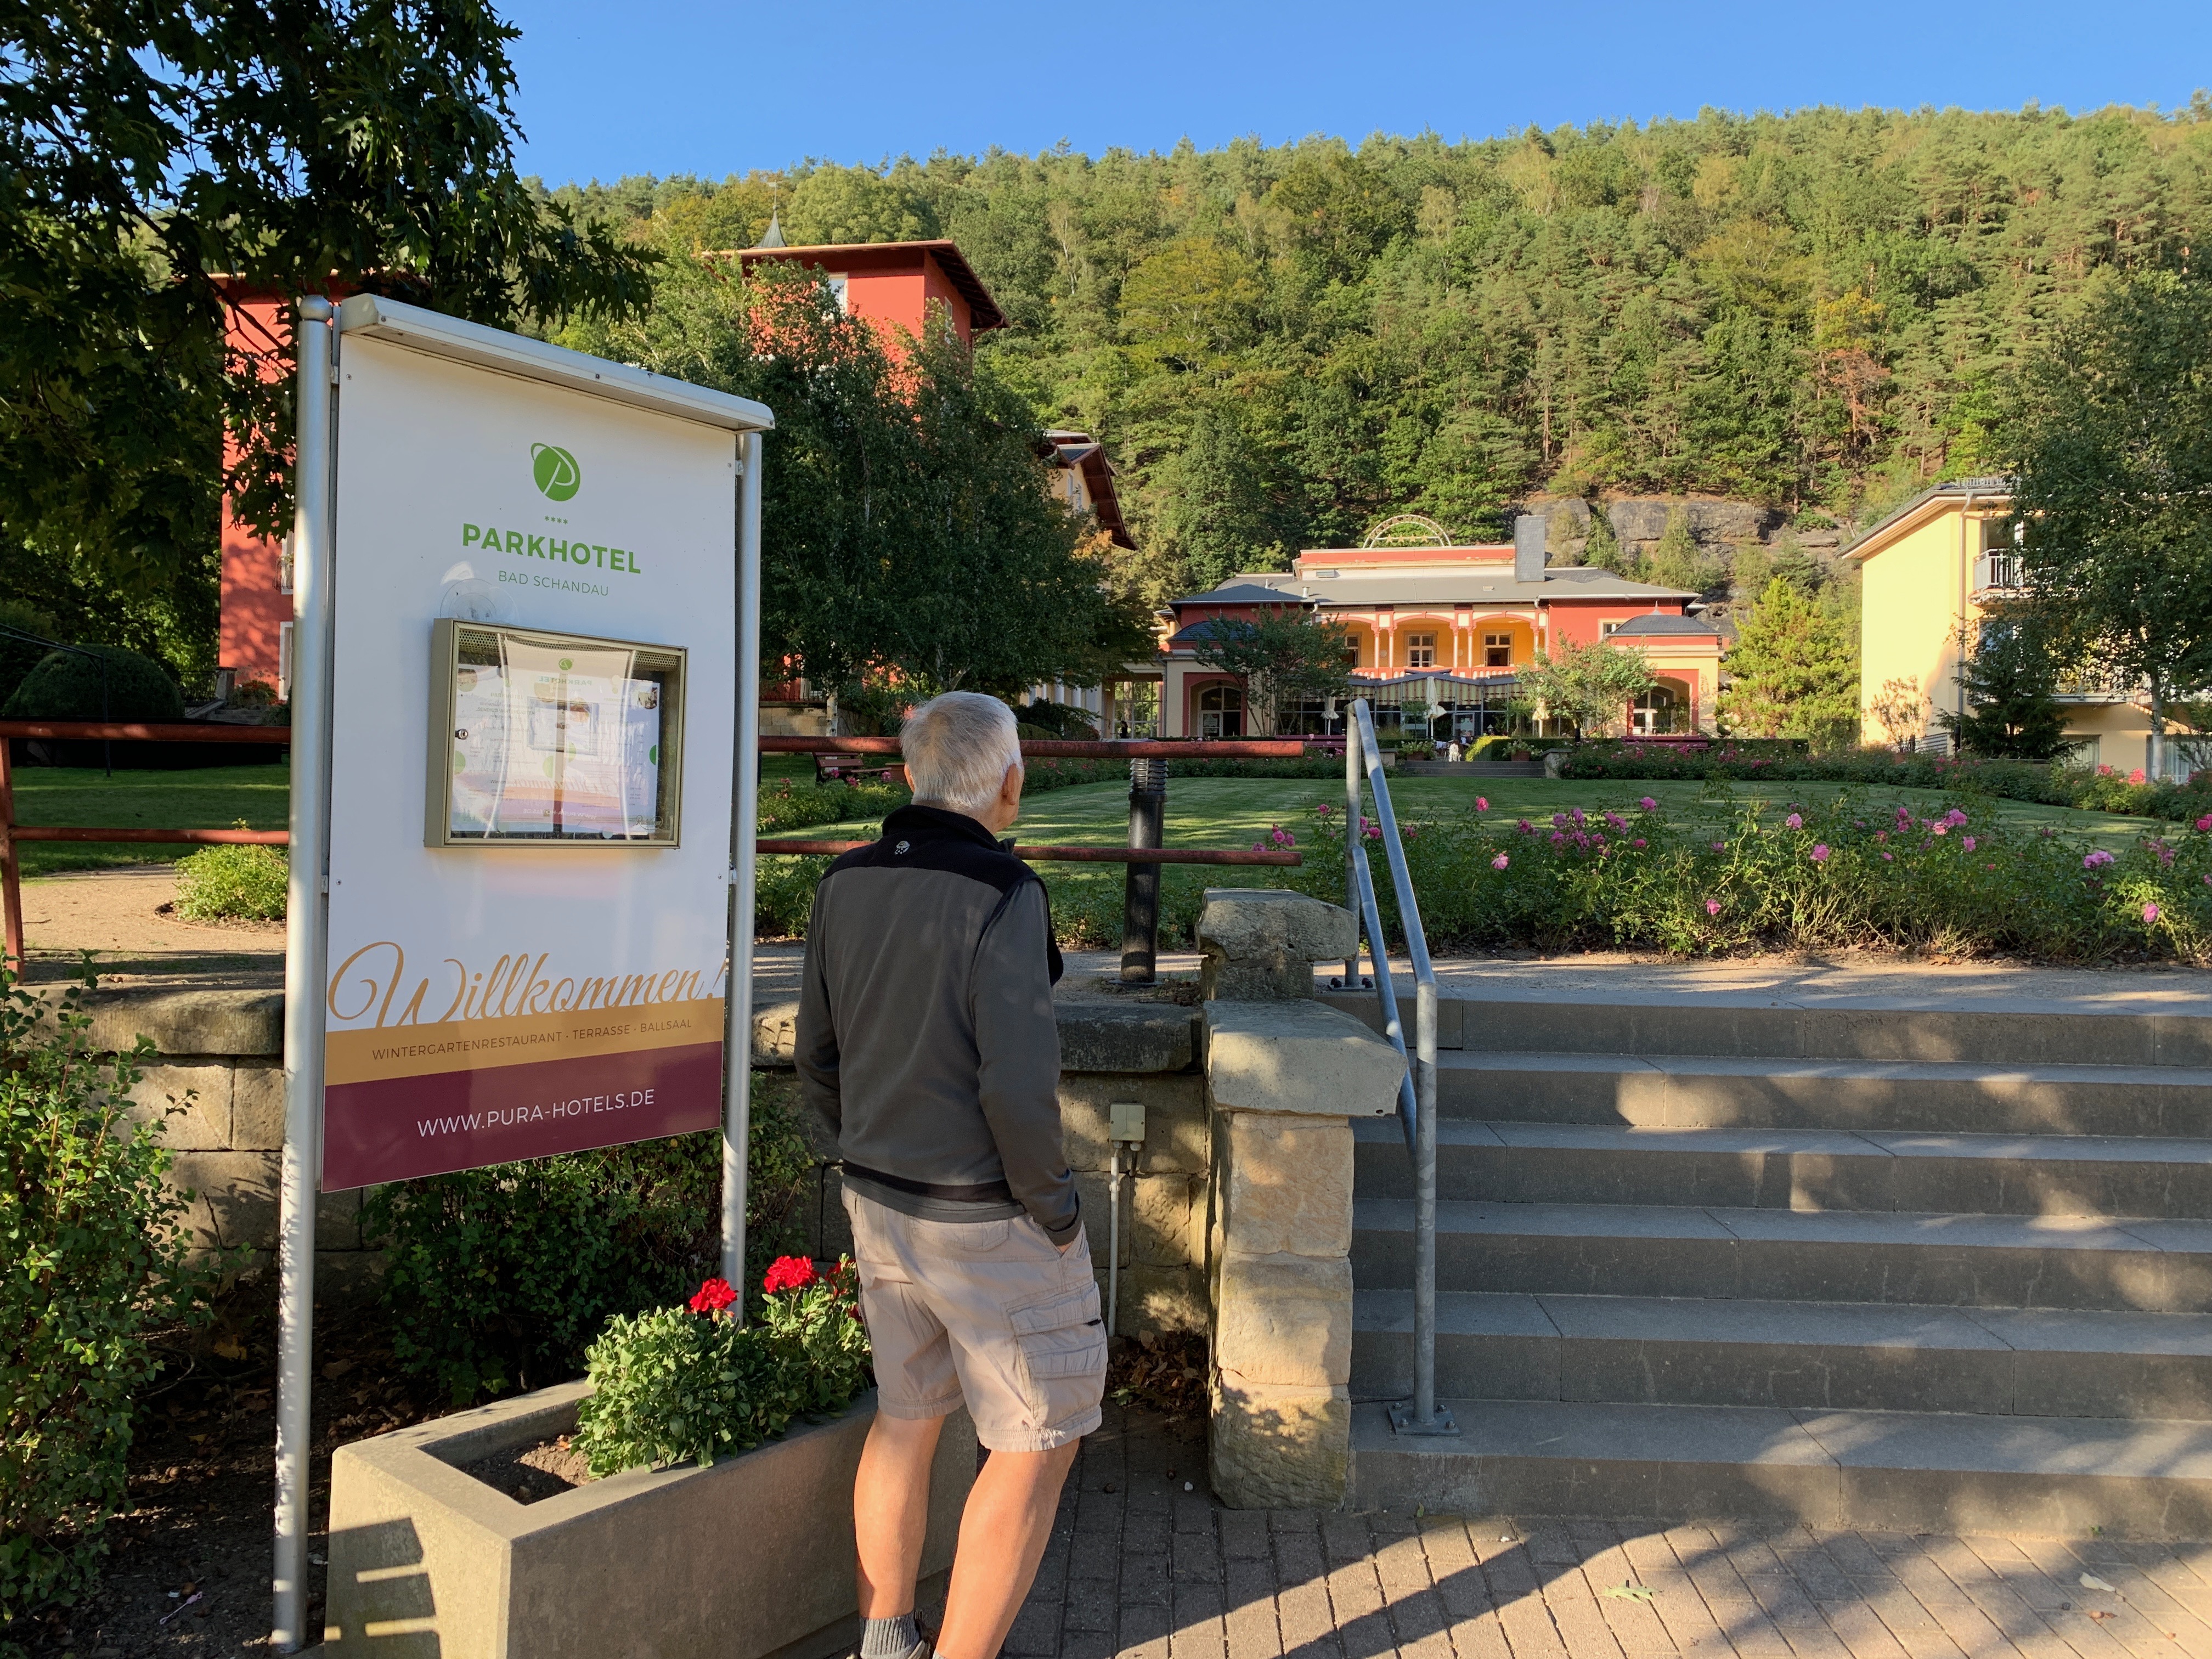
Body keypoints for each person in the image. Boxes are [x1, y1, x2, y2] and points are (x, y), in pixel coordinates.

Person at [796, 690, 1101, 1659]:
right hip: (989, 1215)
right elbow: (1018, 1085)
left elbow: (816, 1054)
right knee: (1038, 1441)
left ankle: (886, 1641)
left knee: (905, 1419)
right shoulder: (1005, 892)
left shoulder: (843, 881)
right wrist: (1055, 1210)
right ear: (1010, 782)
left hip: (880, 1198)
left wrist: (855, 1147)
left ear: (908, 776)